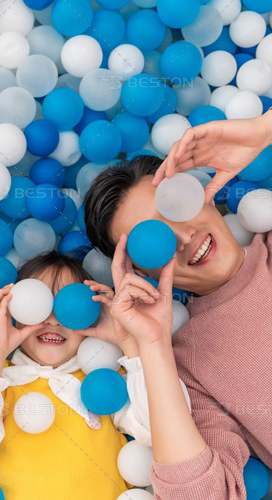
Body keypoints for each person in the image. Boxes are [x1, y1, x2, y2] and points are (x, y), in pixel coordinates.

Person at [84, 108, 272, 500]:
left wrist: (260, 130)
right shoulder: (189, 365)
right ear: (140, 273)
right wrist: (152, 346)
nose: (182, 238)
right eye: (153, 240)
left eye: (173, 208)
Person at [0, 250, 189, 500]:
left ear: (90, 314)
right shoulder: (1, 382)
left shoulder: (104, 379)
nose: (52, 320)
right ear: (15, 313)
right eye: (38, 305)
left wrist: (128, 342)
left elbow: (162, 431)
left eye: (67, 307)